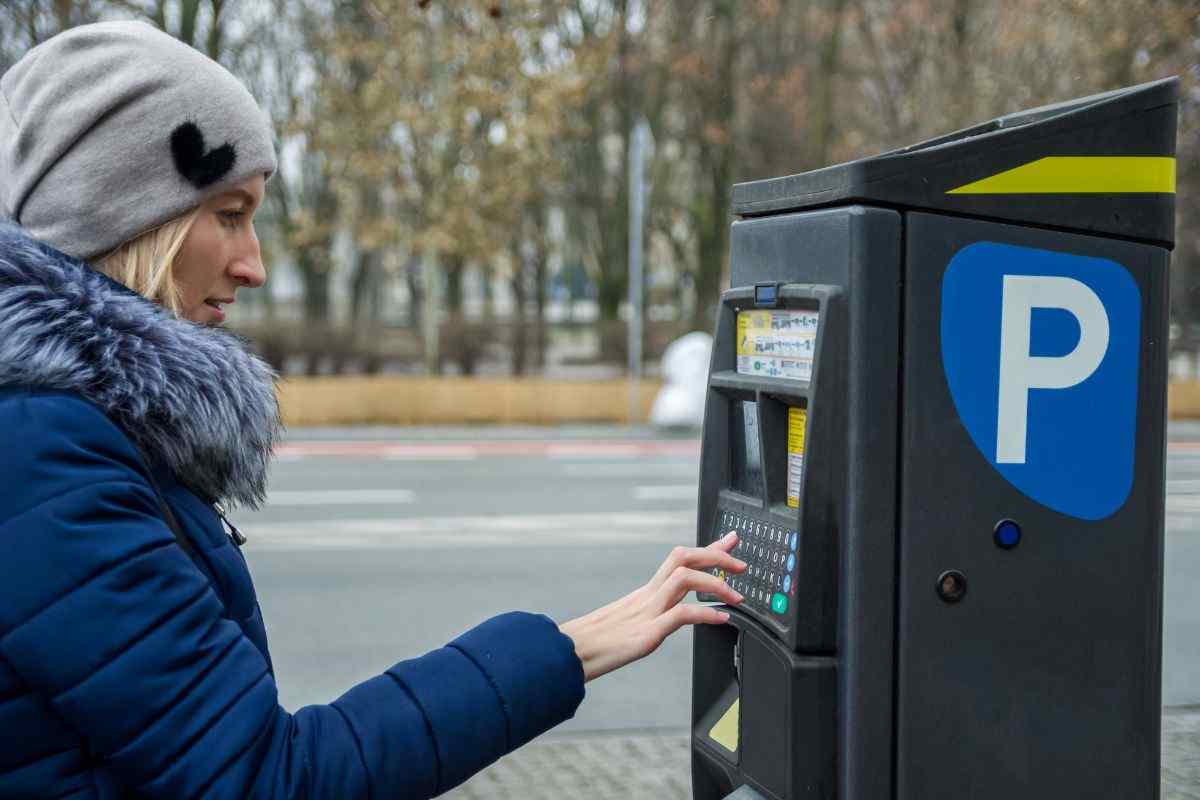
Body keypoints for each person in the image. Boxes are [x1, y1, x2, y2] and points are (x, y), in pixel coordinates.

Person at [0, 19, 747, 799]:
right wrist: (566, 651)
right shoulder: (44, 453)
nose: (252, 263)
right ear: (121, 214)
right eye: (228, 213)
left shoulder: (63, 431)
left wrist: (580, 644)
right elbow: (269, 781)